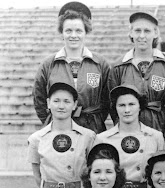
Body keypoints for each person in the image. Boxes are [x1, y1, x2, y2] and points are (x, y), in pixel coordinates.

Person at [33, 1, 110, 134]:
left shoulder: (100, 64)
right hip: (59, 130)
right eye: (68, 30)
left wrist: (94, 120)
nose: (73, 35)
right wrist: (54, 120)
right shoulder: (48, 64)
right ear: (61, 32)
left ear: (86, 32)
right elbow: (39, 100)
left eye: (78, 30)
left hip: (92, 129)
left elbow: (107, 101)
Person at [109, 11, 165, 135]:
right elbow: (113, 105)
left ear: (155, 33)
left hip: (160, 127)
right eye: (137, 31)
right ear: (130, 33)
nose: (142, 36)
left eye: (147, 31)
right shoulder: (118, 66)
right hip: (129, 130)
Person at [95, 84, 164, 188]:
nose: (127, 110)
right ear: (115, 108)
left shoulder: (155, 136)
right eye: (121, 105)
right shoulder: (103, 139)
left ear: (140, 107)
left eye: (131, 104)